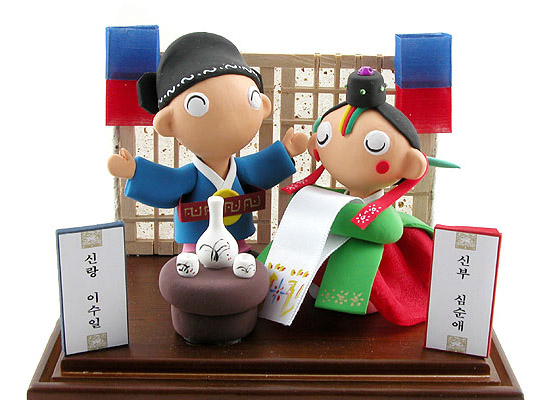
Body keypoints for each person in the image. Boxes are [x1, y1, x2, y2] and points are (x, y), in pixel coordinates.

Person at [259, 67, 456, 326]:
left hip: (372, 278)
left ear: (411, 165)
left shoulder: (348, 209)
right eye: (326, 138)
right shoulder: (323, 200)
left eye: (375, 145)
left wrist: (323, 213)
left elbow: (387, 229)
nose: (344, 153)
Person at [108, 32, 307, 277]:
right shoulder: (190, 177)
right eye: (198, 105)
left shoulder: (239, 170)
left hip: (237, 240)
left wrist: (286, 151)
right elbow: (168, 183)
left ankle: (241, 254)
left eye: (251, 99)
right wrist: (135, 172)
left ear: (263, 105)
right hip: (196, 242)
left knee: (249, 269)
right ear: (168, 123)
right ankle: (191, 257)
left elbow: (262, 168)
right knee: (190, 269)